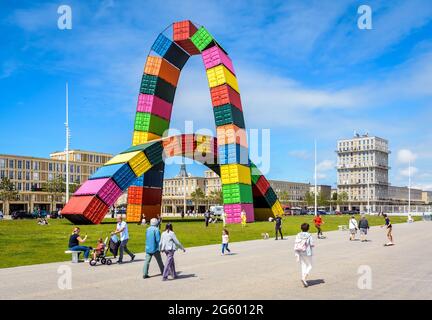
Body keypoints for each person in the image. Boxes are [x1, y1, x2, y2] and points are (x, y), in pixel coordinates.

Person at [294, 223, 314, 288]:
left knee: (303, 265)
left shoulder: (298, 234)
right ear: (308, 229)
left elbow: (296, 242)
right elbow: (311, 244)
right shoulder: (309, 235)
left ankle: (304, 279)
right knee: (310, 265)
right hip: (307, 252)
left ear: (301, 228)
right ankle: (304, 278)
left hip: (299, 251)